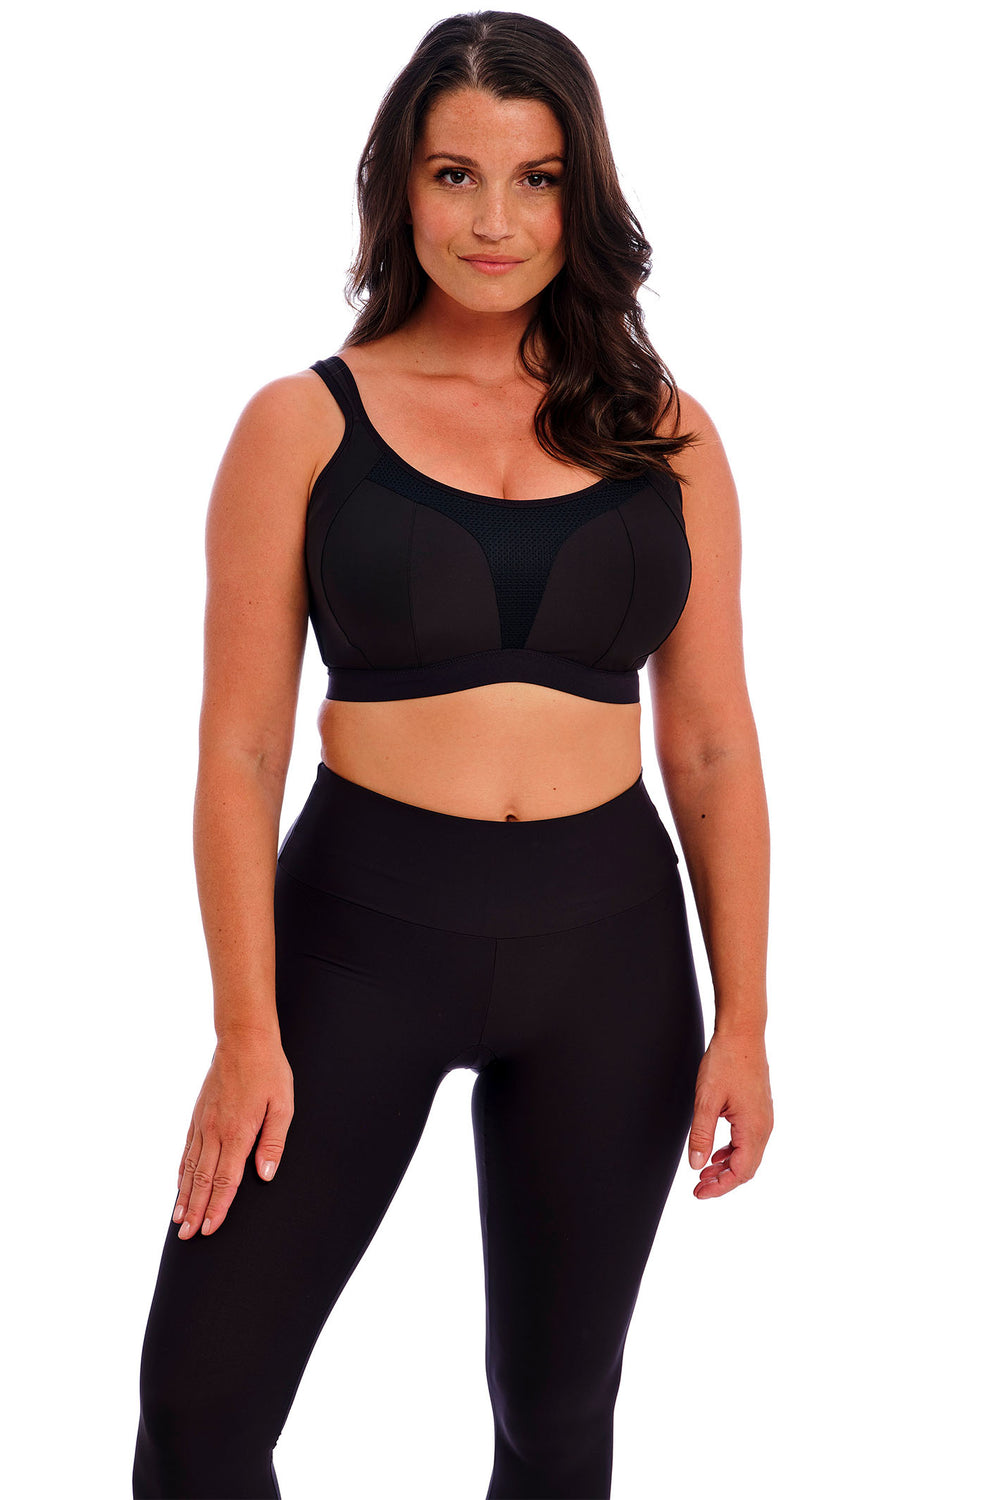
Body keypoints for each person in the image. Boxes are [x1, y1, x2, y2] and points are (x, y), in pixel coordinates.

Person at [132, 10, 773, 1498]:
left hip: (609, 954)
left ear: (581, 193)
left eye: (537, 179)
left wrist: (744, 1016)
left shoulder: (667, 436)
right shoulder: (301, 424)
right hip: (358, 938)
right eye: (455, 176)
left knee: (556, 1417)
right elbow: (239, 749)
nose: (496, 222)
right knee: (200, 1409)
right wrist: (244, 1027)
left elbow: (711, 744)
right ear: (399, 189)